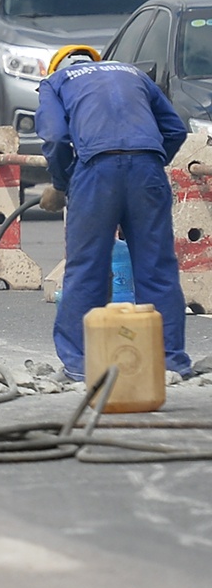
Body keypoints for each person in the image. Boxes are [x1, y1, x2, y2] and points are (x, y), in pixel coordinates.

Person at [36, 44, 195, 378]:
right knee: (157, 269)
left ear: (55, 67)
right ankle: (170, 362)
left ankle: (80, 365)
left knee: (86, 269)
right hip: (148, 169)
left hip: (96, 172)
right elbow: (176, 129)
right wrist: (147, 163)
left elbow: (54, 137)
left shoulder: (56, 81)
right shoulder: (132, 72)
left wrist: (62, 184)